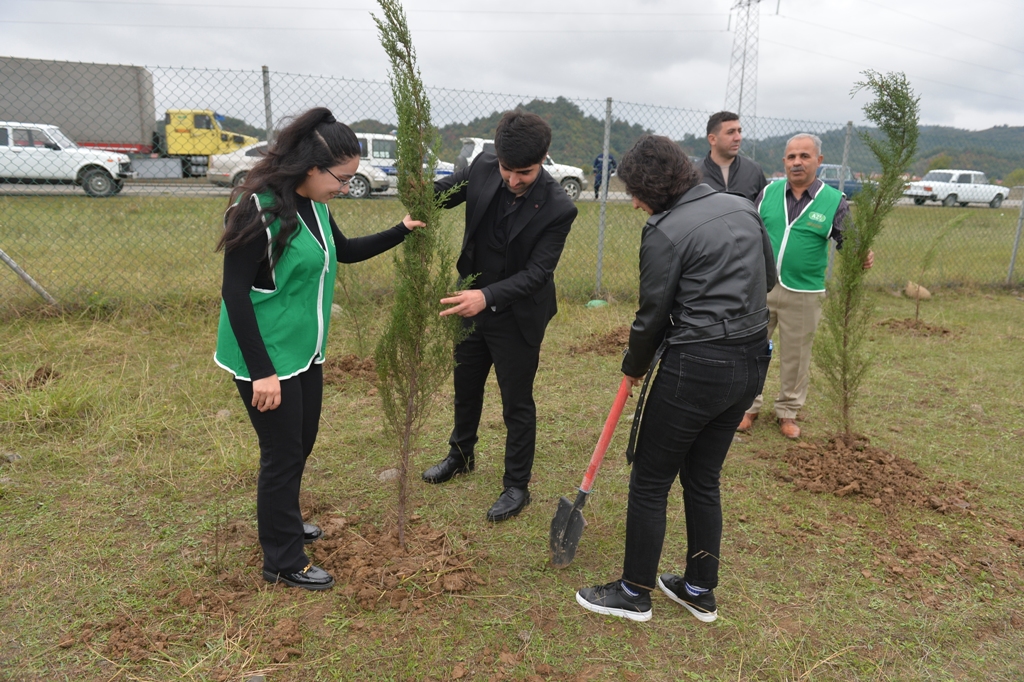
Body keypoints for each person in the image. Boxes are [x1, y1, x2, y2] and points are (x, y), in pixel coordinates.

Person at [214, 108, 423, 590]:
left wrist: (401, 229)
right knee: (282, 453)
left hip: (305, 352)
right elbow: (235, 294)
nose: (347, 187)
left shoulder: (315, 205)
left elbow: (342, 252)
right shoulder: (256, 210)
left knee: (299, 446)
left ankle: (284, 523)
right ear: (311, 166)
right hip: (264, 359)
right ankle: (283, 560)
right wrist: (262, 372)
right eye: (342, 178)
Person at [576, 135, 776, 622]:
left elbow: (652, 316)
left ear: (652, 187)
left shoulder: (665, 230)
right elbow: (768, 280)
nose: (636, 203)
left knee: (650, 480)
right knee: (703, 478)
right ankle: (698, 588)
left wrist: (634, 364)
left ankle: (633, 591)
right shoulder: (741, 207)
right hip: (751, 362)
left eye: (635, 192)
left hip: (697, 367)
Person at [421, 110, 577, 522]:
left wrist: (486, 297)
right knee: (466, 385)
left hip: (519, 315)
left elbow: (537, 274)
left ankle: (516, 486)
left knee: (516, 403)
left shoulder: (559, 208)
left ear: (544, 158)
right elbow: (444, 193)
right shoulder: (484, 166)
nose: (511, 179)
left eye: (523, 172)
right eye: (507, 169)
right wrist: (420, 191)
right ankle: (461, 455)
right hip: (470, 305)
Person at [737, 133, 873, 439]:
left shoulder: (833, 201)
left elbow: (848, 242)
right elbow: (746, 234)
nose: (797, 162)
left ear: (819, 161)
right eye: (792, 157)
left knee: (797, 357)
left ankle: (787, 412)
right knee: (751, 350)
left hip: (804, 293)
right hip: (761, 289)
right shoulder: (767, 193)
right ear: (784, 161)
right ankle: (748, 407)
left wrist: (861, 253)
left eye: (804, 156)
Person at [699, 111, 767, 202]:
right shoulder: (693, 174)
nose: (738, 138)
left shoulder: (754, 171)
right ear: (712, 139)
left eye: (739, 131)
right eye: (730, 132)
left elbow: (763, 209)